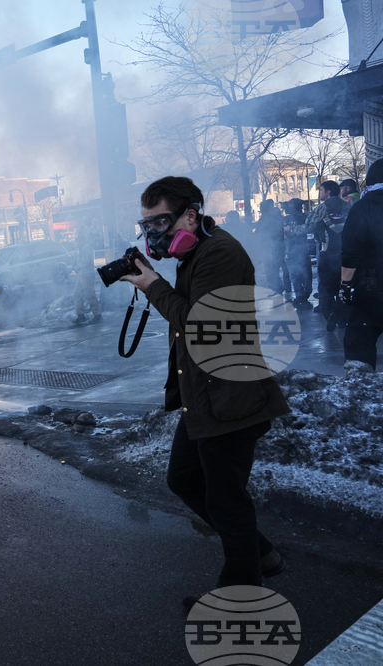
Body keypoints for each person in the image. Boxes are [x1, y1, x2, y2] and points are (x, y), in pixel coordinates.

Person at [120, 177, 290, 609]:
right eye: (146, 224)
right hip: (206, 395)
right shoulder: (196, 252)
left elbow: (200, 325)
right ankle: (262, 555)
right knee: (184, 480)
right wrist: (155, 280)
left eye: (159, 221)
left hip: (232, 398)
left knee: (226, 500)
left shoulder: (220, 253)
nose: (152, 232)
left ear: (190, 215)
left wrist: (153, 286)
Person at [340, 160, 383, 371]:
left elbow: (350, 253)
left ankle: (362, 390)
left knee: (360, 344)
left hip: (370, 290)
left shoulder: (361, 209)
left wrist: (345, 286)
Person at [310, 186, 352, 331]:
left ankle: (330, 313)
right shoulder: (349, 223)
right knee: (343, 289)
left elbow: (317, 238)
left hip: (327, 260)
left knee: (325, 291)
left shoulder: (320, 223)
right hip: (345, 260)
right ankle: (342, 318)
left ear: (327, 210)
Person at [282, 197, 313, 309]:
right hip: (300, 249)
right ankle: (303, 294)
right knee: (303, 272)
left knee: (295, 274)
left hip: (293, 249)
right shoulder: (305, 217)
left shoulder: (291, 218)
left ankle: (301, 295)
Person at [254, 199, 290, 295]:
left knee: (270, 270)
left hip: (269, 248)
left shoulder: (265, 219)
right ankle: (281, 287)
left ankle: (276, 289)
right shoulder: (278, 217)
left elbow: (259, 234)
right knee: (277, 268)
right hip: (279, 246)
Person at [73, 235, 102, 324]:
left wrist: (77, 267)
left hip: (86, 274)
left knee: (89, 294)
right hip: (82, 274)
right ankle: (81, 315)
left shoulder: (86, 247)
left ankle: (97, 315)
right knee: (77, 294)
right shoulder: (82, 248)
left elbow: (85, 262)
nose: (76, 244)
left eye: (77, 242)